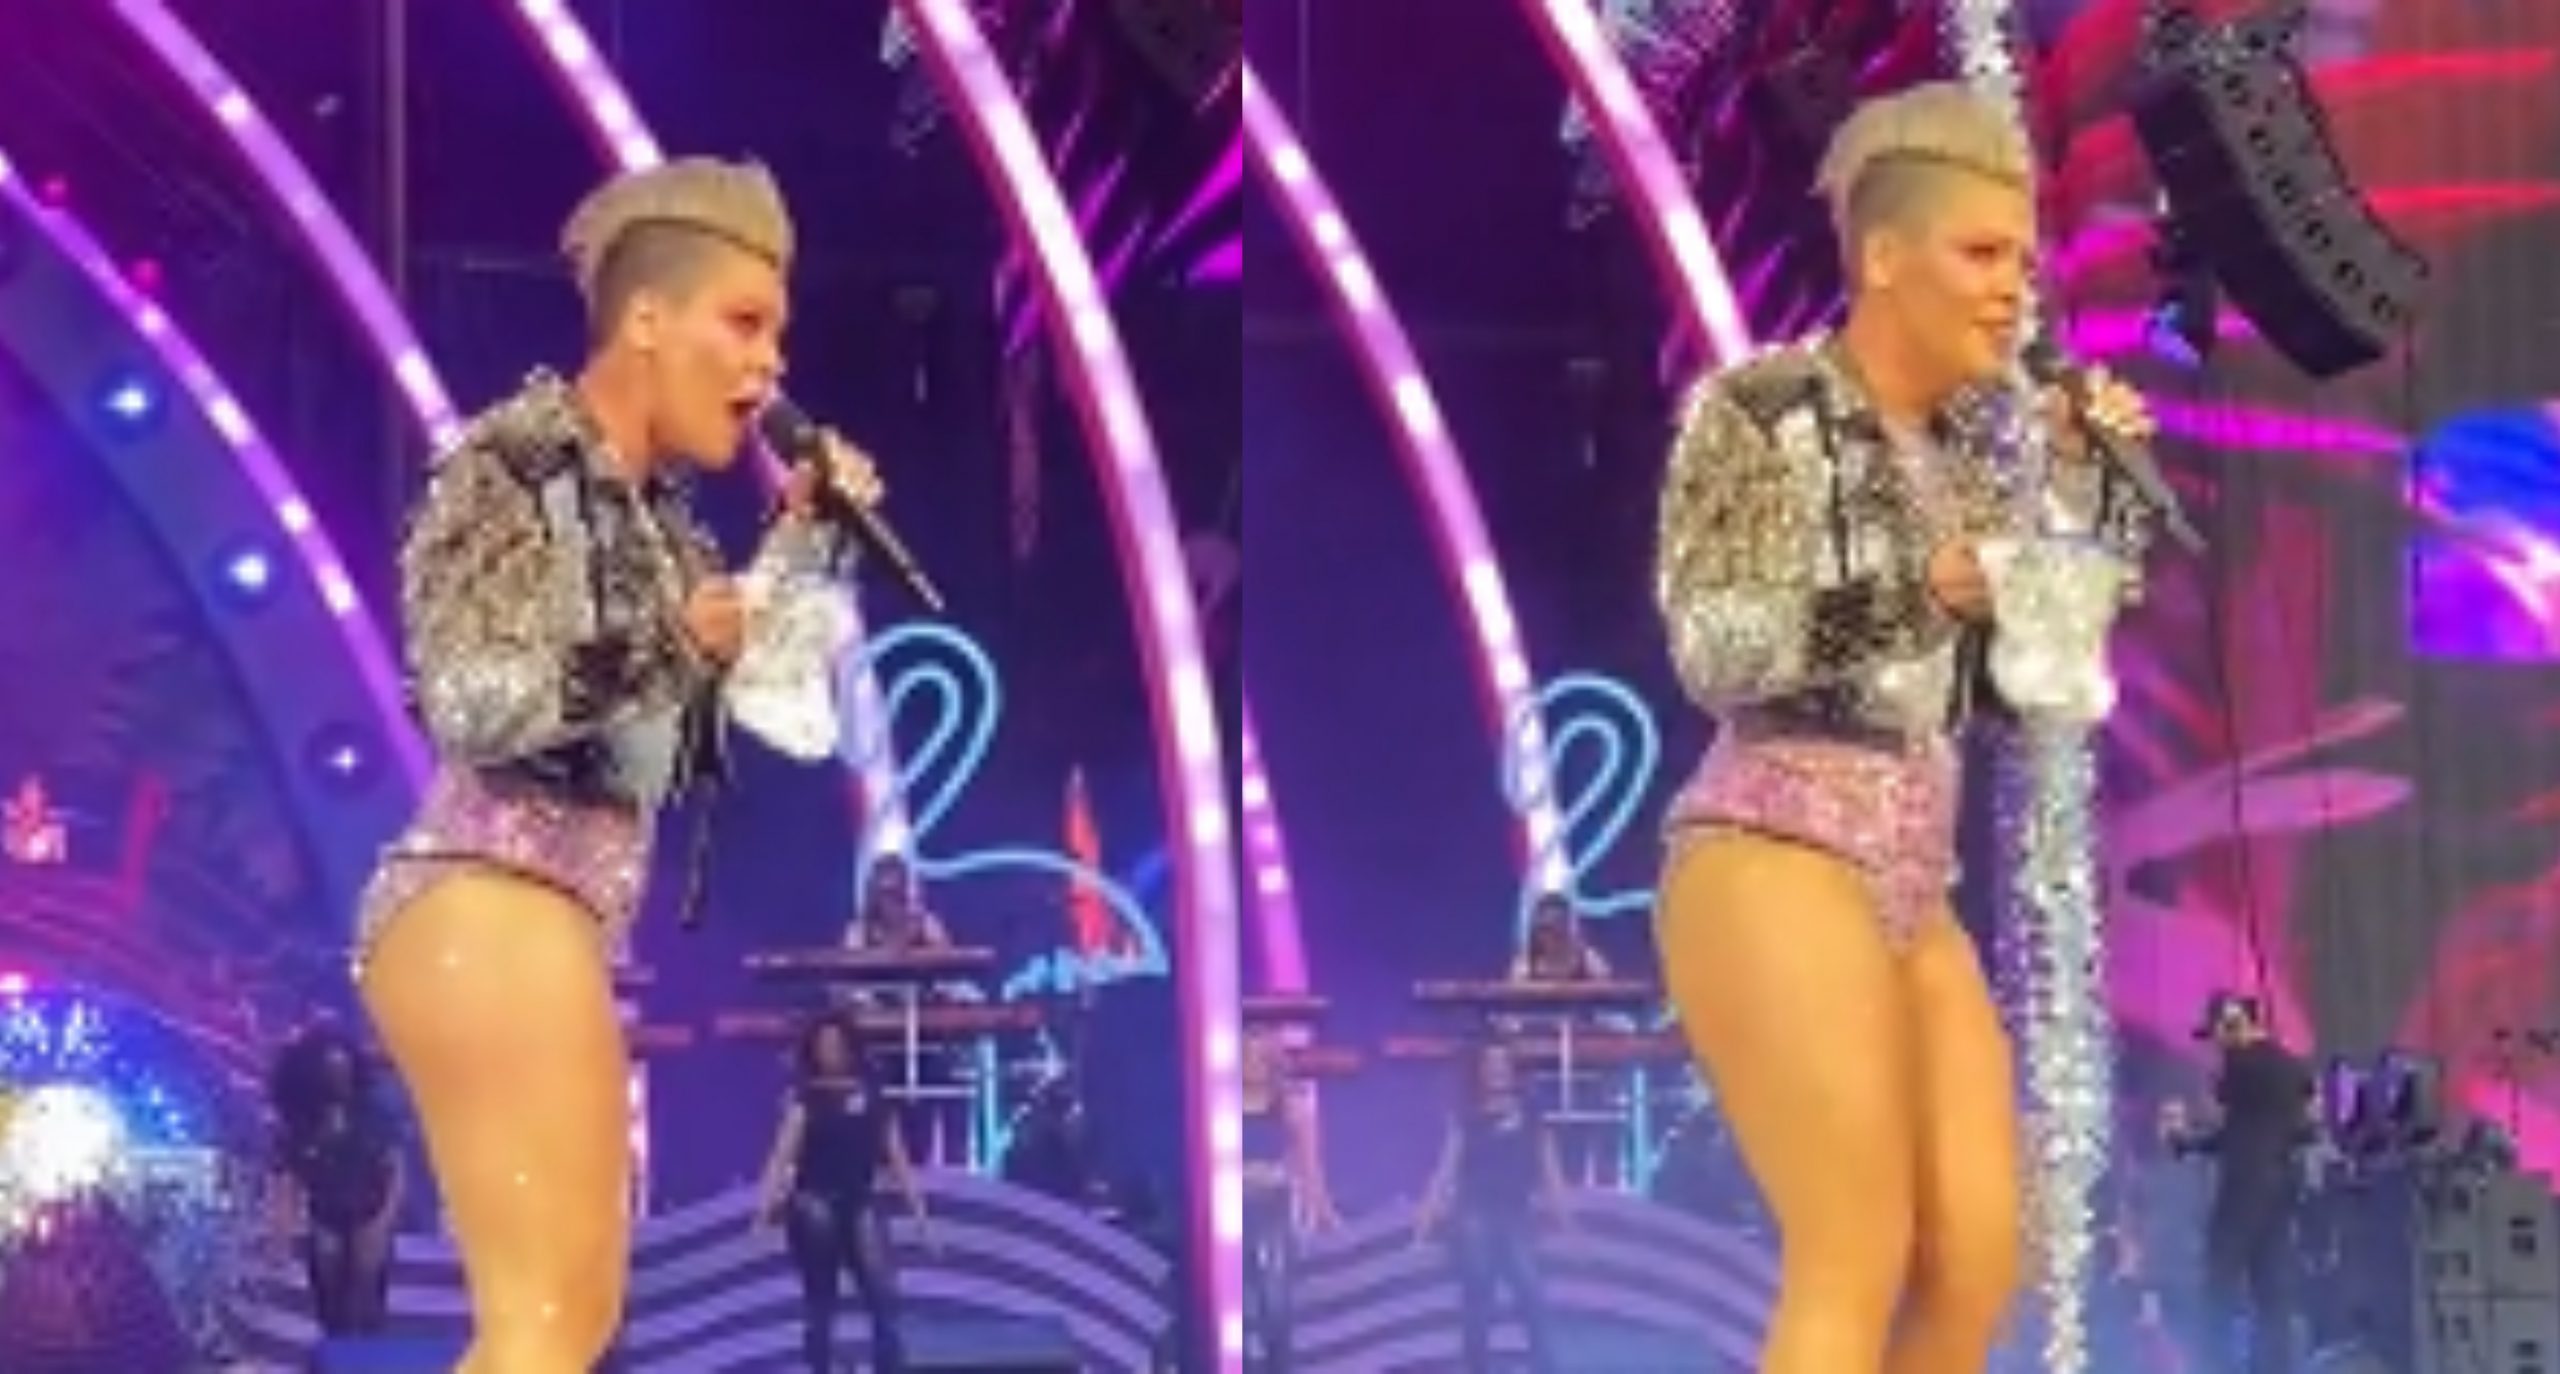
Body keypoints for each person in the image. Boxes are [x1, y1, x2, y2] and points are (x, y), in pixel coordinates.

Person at [1649, 82, 2157, 1373]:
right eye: (1982, 254)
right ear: (1883, 256)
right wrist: (1920, 590)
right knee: (1855, 1247)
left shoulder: (1974, 459)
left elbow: (2031, 685)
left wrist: (2085, 495)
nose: (2013, 292)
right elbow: (1715, 644)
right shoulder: (1762, 411)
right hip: (1773, 842)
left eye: (2024, 263)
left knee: (1977, 1258)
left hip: (1914, 883)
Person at [354, 156, 883, 1373]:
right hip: (486, 897)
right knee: (542, 1325)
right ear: (647, 318)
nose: (768, 367)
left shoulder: (665, 528)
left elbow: (781, 713)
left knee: (565, 1323)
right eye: (743, 324)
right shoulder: (520, 462)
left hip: (548, 917)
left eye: (777, 336)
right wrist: (663, 644)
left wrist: (806, 544)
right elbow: (467, 699)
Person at [753, 1011, 934, 1374]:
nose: (830, 1052)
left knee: (883, 1296)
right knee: (821, 1300)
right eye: (823, 1045)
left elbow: (897, 1158)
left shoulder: (874, 1097)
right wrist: (763, 1211)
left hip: (860, 1201)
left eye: (836, 1044)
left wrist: (919, 1213)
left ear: (851, 1047)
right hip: (814, 1202)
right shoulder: (805, 1099)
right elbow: (781, 1156)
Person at [2169, 993, 2313, 1374]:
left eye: (2218, 1034)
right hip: (2280, 1187)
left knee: (2218, 1284)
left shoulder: (2246, 1064)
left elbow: (2227, 1104)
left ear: (2234, 1025)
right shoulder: (2288, 1067)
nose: (2215, 1048)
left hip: (2246, 1188)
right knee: (2271, 1287)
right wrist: (2188, 1143)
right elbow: (2244, 1131)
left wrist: (2234, 1047)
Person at [1411, 1040, 1572, 1374]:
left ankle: (1545, 1366)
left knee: (1531, 1292)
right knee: (1479, 1294)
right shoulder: (1467, 1116)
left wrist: (1565, 1221)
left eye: (1502, 1062)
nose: (1497, 1070)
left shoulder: (1532, 1113)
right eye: (1490, 1063)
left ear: (1512, 1069)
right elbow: (1445, 1171)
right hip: (1474, 1215)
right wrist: (1423, 1226)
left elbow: (1551, 1169)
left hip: (1516, 1214)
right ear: (1480, 1071)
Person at [265, 1021, 404, 1338]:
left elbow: (396, 1171)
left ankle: (366, 1349)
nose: (339, 1079)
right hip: (326, 1215)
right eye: (330, 1071)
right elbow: (286, 1181)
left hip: (371, 1209)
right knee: (331, 1303)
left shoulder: (373, 1111)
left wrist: (382, 1224)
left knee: (368, 1299)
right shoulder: (298, 1122)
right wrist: (280, 1234)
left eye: (343, 1069)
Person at [1242, 1029, 1339, 1372]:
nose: (1252, 1063)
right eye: (1246, 1055)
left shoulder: (1289, 1105)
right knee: (1237, 1304)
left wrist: (1324, 1215)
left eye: (1259, 1056)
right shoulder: (1219, 1106)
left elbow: (1308, 1166)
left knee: (1276, 1304)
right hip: (1232, 1213)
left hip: (1272, 1211)